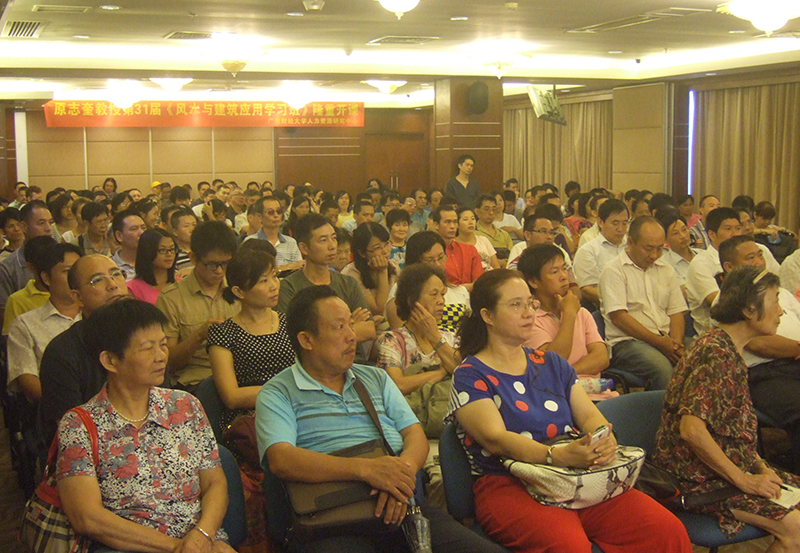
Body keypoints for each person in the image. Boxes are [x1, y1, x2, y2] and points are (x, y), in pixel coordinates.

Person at [446, 269, 692, 553]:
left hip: (575, 476)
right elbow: (495, 438)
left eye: (530, 303)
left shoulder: (551, 363)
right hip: (509, 483)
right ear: (487, 315)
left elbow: (588, 416)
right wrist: (556, 455)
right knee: (569, 546)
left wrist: (603, 438)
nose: (528, 312)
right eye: (515, 305)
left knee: (665, 530)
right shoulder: (470, 374)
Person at [255, 285, 507, 553]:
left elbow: (414, 434)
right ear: (307, 340)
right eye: (339, 327)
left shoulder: (375, 378)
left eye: (351, 325)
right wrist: (367, 470)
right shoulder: (278, 392)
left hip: (400, 509)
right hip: (331, 522)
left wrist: (399, 479)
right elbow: (282, 459)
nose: (352, 336)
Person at [55, 299, 235, 553]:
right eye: (147, 348)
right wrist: (177, 547)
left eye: (163, 345)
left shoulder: (185, 406)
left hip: (202, 542)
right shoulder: (79, 425)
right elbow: (87, 518)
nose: (161, 356)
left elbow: (214, 483)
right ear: (110, 360)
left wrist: (202, 535)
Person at [654, 266, 800, 548]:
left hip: (726, 470)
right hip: (696, 480)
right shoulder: (715, 352)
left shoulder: (729, 348)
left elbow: (733, 432)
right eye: (775, 302)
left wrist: (760, 467)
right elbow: (691, 431)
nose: (781, 311)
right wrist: (745, 481)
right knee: (796, 529)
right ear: (749, 309)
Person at [716, 236, 800, 474]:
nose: (758, 261)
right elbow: (758, 343)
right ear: (730, 267)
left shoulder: (778, 291)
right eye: (750, 257)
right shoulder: (731, 301)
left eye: (759, 255)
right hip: (762, 374)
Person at [38, 254, 130, 451]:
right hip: (93, 453)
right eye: (97, 280)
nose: (112, 285)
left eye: (116, 274)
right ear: (77, 297)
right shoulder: (61, 353)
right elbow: (72, 435)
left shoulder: (145, 337)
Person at [208, 246, 295, 440]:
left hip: (298, 407)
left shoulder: (290, 323)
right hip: (252, 419)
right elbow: (231, 397)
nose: (274, 286)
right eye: (263, 281)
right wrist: (288, 392)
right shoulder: (223, 334)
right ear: (239, 291)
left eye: (274, 276)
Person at [599, 216, 687, 390]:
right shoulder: (614, 270)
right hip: (628, 343)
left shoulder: (666, 269)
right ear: (630, 242)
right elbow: (619, 318)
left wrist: (675, 345)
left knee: (707, 355)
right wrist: (661, 343)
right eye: (648, 249)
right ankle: (664, 408)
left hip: (666, 337)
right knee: (663, 369)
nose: (654, 255)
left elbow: (676, 312)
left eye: (659, 249)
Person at [156, 221, 240, 390]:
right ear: (193, 258)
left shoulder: (239, 289)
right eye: (211, 265)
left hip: (240, 375)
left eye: (225, 264)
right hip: (196, 382)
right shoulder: (171, 298)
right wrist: (199, 335)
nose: (219, 271)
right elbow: (168, 361)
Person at [277, 213, 376, 344]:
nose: (332, 246)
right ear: (304, 248)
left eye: (334, 238)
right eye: (323, 240)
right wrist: (350, 324)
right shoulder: (289, 287)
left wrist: (323, 334)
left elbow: (369, 330)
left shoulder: (348, 283)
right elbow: (294, 339)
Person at [7, 242, 82, 403]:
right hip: (54, 409)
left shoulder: (97, 316)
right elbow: (28, 381)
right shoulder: (25, 325)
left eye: (79, 271)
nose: (75, 278)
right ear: (46, 278)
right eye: (67, 271)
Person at [519, 244, 609, 378]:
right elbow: (550, 364)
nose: (564, 277)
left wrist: (565, 374)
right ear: (533, 282)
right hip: (555, 390)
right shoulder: (529, 320)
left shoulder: (581, 312)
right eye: (554, 272)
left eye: (564, 269)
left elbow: (601, 358)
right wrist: (569, 315)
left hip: (592, 387)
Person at [385, 231, 471, 334]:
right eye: (430, 260)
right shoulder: (402, 290)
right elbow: (402, 336)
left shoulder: (459, 291)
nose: (438, 264)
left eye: (441, 257)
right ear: (415, 263)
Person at [686, 207, 743, 335]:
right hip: (715, 333)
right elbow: (718, 302)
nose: (735, 234)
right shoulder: (701, 263)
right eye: (728, 229)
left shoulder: (755, 252)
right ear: (712, 235)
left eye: (738, 228)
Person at [572, 199, 629, 308]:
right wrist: (619, 300)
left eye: (625, 223)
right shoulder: (588, 251)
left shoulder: (632, 248)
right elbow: (587, 289)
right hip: (607, 308)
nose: (621, 229)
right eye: (615, 223)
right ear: (601, 222)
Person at [342, 222, 399, 318]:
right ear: (362, 253)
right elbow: (379, 310)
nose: (385, 251)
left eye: (386, 244)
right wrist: (382, 272)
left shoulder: (394, 266)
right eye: (377, 248)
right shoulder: (351, 274)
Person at [244, 197, 304, 273]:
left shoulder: (291, 242)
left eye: (279, 211)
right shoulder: (251, 242)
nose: (276, 215)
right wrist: (284, 268)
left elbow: (299, 267)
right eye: (270, 212)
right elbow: (249, 272)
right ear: (260, 217)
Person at [432, 205, 483, 290]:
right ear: (436, 225)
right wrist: (461, 289)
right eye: (447, 222)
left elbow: (479, 282)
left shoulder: (470, 250)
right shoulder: (433, 254)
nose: (452, 226)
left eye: (455, 222)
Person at [126, 228, 177, 304]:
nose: (169, 254)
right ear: (148, 252)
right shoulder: (132, 289)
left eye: (172, 249)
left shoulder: (181, 283)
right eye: (162, 250)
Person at [658, 210, 697, 293]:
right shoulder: (665, 264)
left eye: (684, 230)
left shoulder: (702, 254)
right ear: (665, 240)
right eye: (676, 233)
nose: (683, 236)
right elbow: (685, 293)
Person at [455, 206, 499, 271]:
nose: (470, 222)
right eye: (465, 219)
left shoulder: (483, 240)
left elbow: (496, 266)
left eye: (473, 219)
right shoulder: (453, 245)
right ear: (457, 224)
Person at [110, 209, 146, 281]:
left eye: (143, 228)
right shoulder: (110, 267)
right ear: (119, 236)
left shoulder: (155, 261)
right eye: (134, 229)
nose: (141, 232)